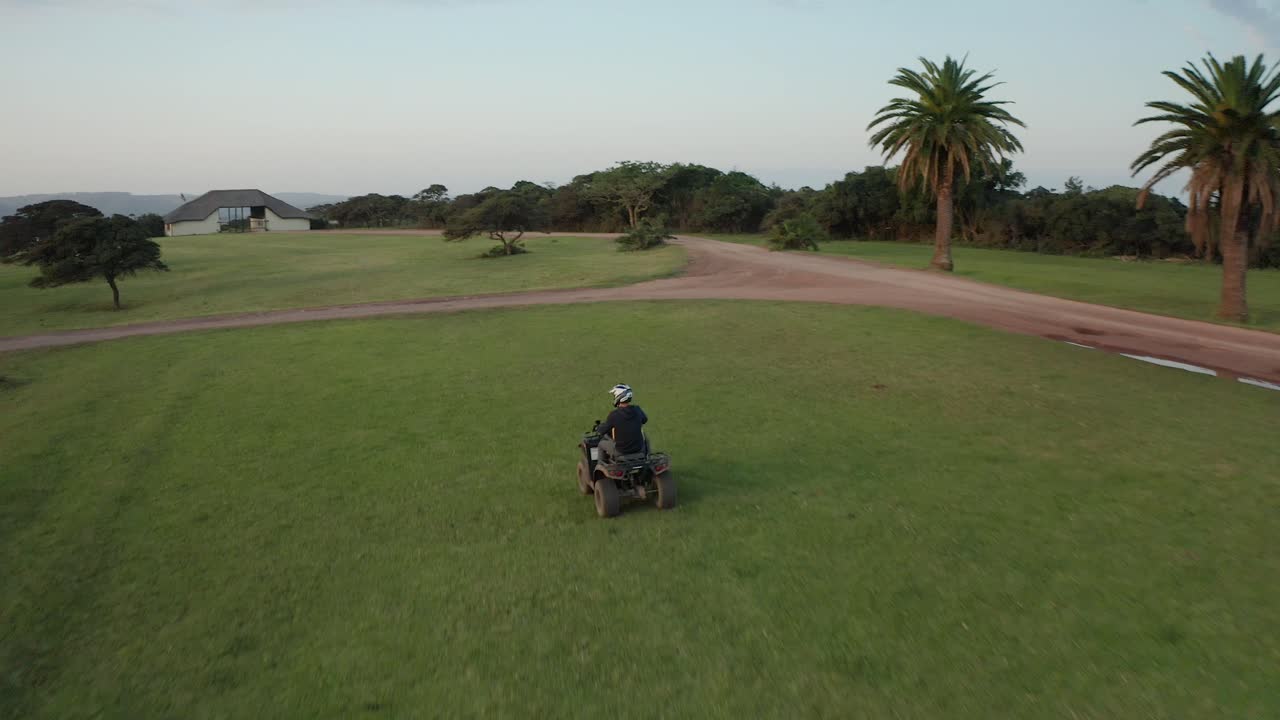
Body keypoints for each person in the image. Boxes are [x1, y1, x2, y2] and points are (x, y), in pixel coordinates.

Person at [595, 384, 648, 462]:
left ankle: (600, 466)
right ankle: (647, 458)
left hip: (621, 451)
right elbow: (645, 420)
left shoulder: (614, 415)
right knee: (646, 438)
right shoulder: (637, 410)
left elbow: (603, 430)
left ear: (618, 397)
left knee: (601, 444)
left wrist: (598, 427)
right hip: (638, 449)